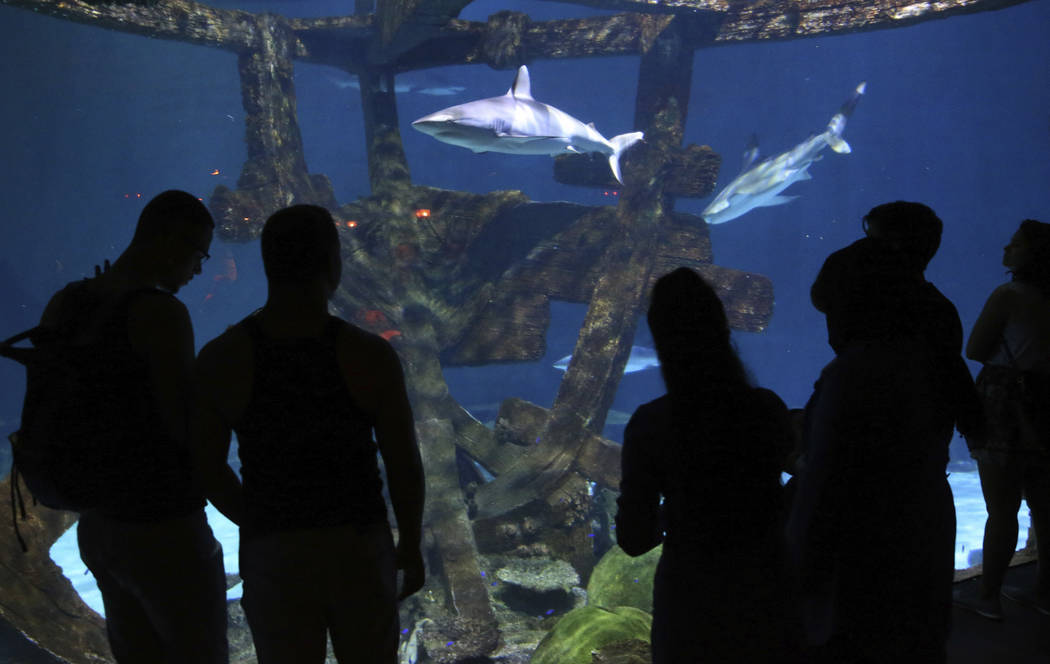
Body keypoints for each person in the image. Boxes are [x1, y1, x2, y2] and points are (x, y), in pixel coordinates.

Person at [193, 204, 425, 664]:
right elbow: (402, 462)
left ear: (268, 263)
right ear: (333, 262)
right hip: (357, 546)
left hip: (275, 554)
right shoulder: (368, 356)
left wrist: (259, 520)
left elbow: (205, 465)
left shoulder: (224, 357)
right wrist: (410, 546)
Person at [38, 190, 228, 663]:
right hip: (162, 528)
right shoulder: (160, 313)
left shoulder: (66, 302)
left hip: (98, 527)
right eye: (198, 254)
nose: (199, 270)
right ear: (167, 240)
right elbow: (181, 426)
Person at [788, 231, 956, 664]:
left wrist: (798, 566)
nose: (830, 332)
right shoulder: (927, 360)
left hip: (860, 563)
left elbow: (824, 486)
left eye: (833, 315)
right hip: (921, 539)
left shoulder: (848, 376)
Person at [615, 267, 796, 664]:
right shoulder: (765, 409)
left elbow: (634, 538)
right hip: (766, 588)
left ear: (661, 341)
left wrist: (675, 508)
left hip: (690, 598)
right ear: (722, 329)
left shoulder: (651, 423)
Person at [954, 219, 1050, 620]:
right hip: (1047, 404)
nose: (1005, 252)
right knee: (1045, 506)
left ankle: (988, 596)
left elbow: (975, 348)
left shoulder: (1009, 294)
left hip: (1007, 404)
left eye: (1014, 245)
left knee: (1002, 507)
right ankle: (1044, 592)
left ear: (1033, 254)